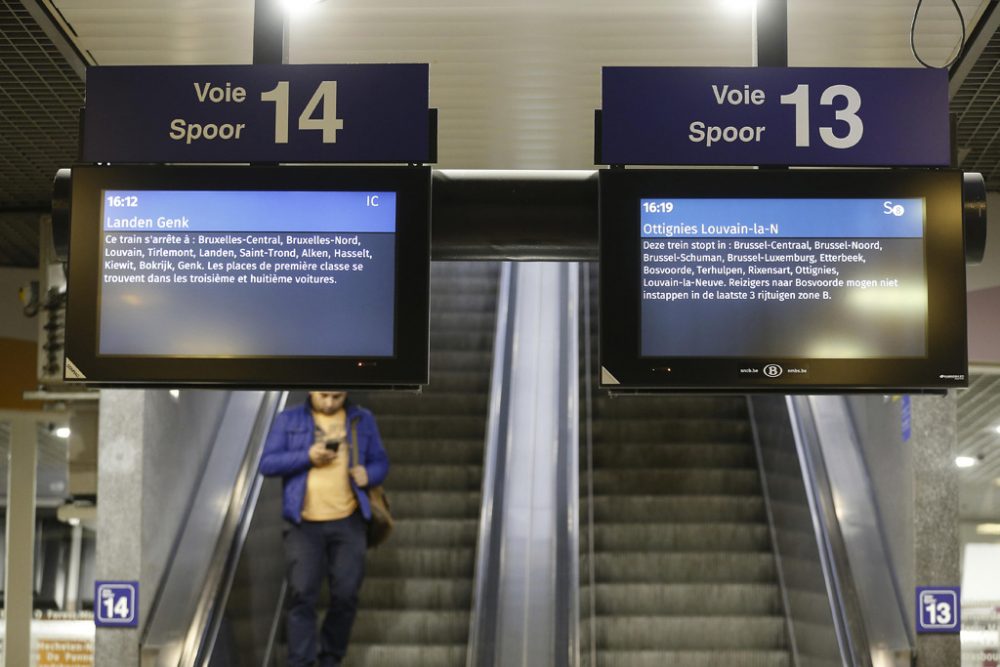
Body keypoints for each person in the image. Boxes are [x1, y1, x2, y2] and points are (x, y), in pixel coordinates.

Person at [259, 391, 389, 667]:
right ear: (311, 391)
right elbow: (267, 463)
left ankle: (331, 657)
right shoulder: (288, 419)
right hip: (303, 522)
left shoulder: (361, 420)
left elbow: (381, 461)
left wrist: (370, 474)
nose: (329, 403)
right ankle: (301, 661)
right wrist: (307, 456)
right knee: (301, 593)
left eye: (337, 397)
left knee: (346, 593)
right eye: (324, 396)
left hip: (349, 519)